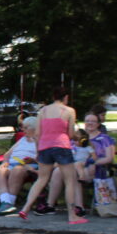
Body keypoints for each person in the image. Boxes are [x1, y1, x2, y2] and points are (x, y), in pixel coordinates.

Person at [17, 86, 86, 224]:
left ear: (53, 97)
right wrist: (78, 138)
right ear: (65, 97)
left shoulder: (43, 111)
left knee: (41, 179)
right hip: (61, 146)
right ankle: (72, 216)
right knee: (70, 181)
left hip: (44, 147)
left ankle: (25, 208)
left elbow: (37, 134)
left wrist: (38, 151)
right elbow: (70, 134)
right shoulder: (69, 111)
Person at [39, 112, 115, 215]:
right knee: (58, 171)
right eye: (87, 121)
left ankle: (79, 207)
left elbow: (109, 158)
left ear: (98, 123)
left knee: (72, 172)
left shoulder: (105, 139)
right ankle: (50, 205)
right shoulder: (76, 137)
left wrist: (93, 162)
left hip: (95, 169)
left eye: (93, 121)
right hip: (74, 166)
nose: (90, 123)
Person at [0, 116, 38, 215]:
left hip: (28, 165)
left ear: (35, 128)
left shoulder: (39, 140)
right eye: (23, 127)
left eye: (26, 128)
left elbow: (42, 157)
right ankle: (6, 201)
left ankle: (9, 202)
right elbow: (7, 154)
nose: (23, 130)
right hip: (12, 163)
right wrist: (5, 162)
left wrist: (32, 159)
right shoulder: (22, 139)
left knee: (17, 170)